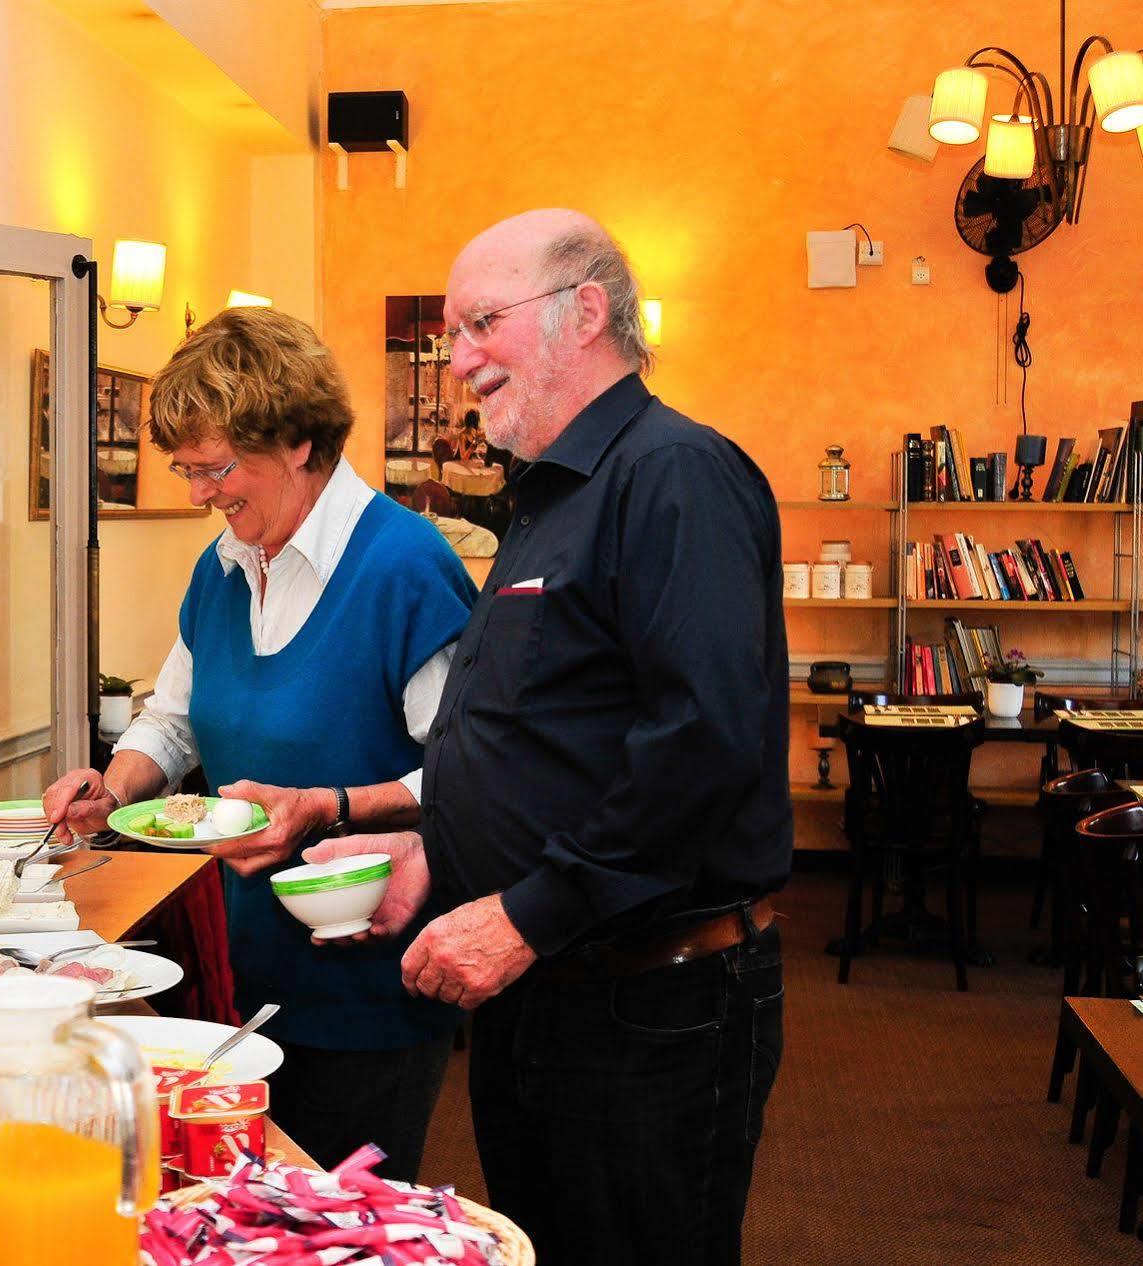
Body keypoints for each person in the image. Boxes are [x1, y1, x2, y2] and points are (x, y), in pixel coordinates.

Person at [308, 209, 791, 1266]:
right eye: (451, 334)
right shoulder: (543, 498)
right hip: (539, 987)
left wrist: (524, 914)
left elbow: (699, 747)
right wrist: (437, 858)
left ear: (585, 313)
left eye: (481, 323)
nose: (458, 361)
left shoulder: (672, 475)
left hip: (649, 1005)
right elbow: (549, 743)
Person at [43, 306, 476, 1181]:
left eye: (216, 468)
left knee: (336, 1220)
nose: (200, 493)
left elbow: (469, 775)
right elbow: (170, 718)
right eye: (187, 469)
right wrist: (114, 786)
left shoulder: (403, 565)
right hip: (241, 967)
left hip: (365, 974)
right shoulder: (223, 566)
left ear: (301, 445)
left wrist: (324, 808)